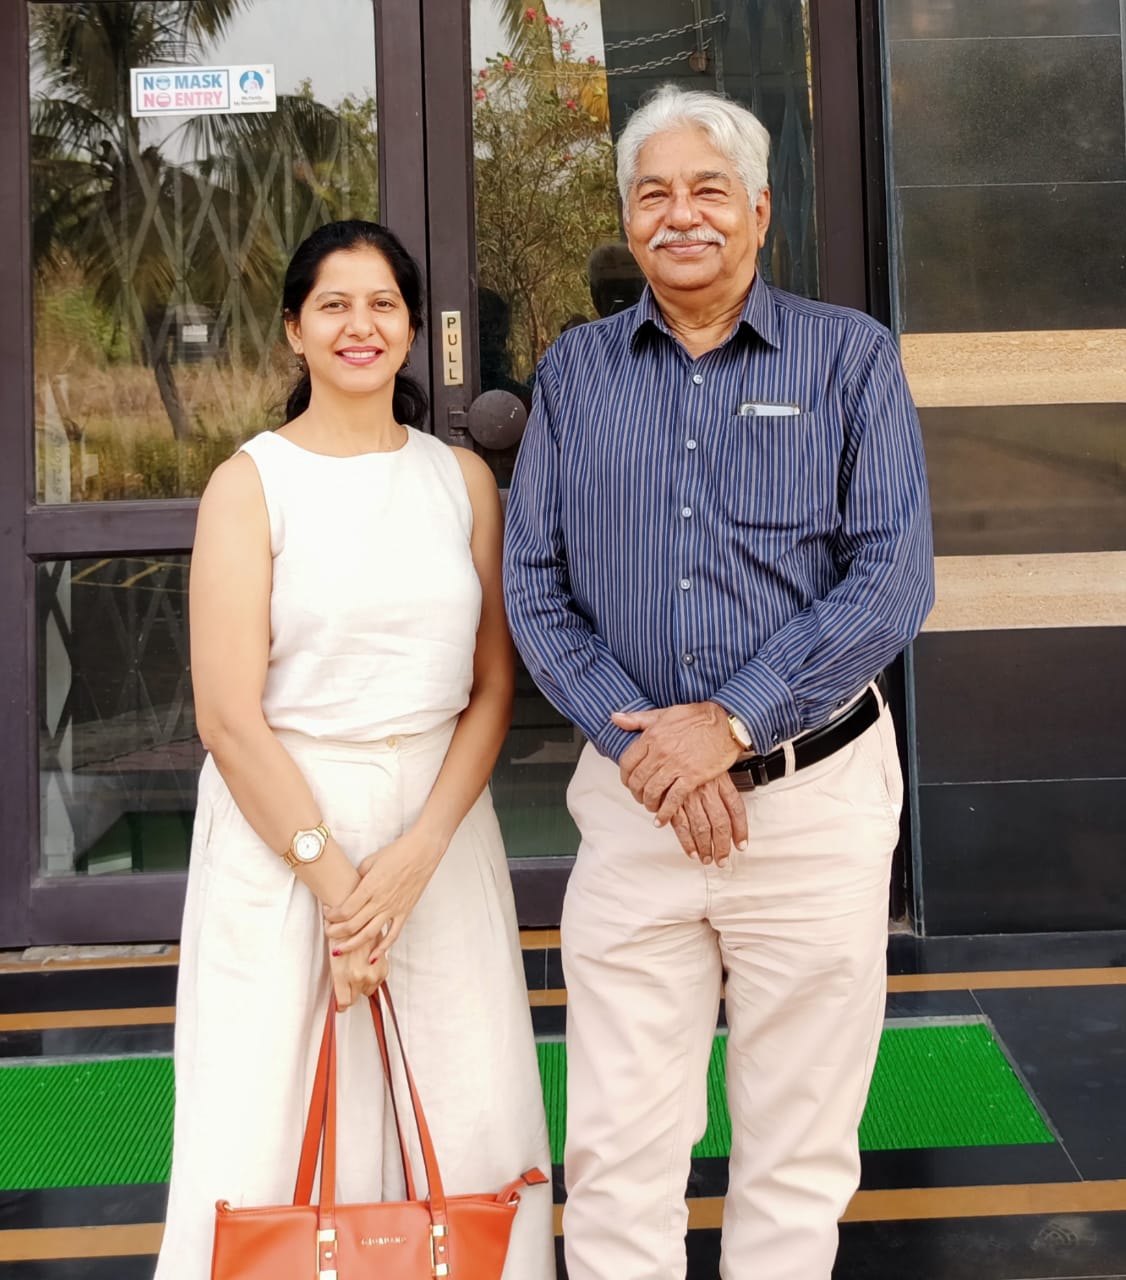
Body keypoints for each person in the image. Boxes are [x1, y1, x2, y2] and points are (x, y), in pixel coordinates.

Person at [503, 85, 933, 1280]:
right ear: (627, 221)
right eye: (653, 193)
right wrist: (647, 745)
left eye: (706, 191)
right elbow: (533, 583)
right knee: (618, 1142)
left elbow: (892, 576)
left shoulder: (850, 357)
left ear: (756, 210)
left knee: (796, 1145)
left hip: (811, 805)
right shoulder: (578, 372)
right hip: (634, 813)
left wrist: (732, 719)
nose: (679, 215)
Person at [156, 220, 554, 1280]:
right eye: (333, 304)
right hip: (283, 836)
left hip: (438, 835)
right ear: (295, 330)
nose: (359, 325)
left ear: (414, 329)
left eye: (382, 304)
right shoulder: (251, 483)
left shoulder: (460, 479)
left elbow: (491, 687)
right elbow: (229, 717)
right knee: (270, 1109)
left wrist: (415, 855)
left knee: (460, 1094)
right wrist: (344, 891)